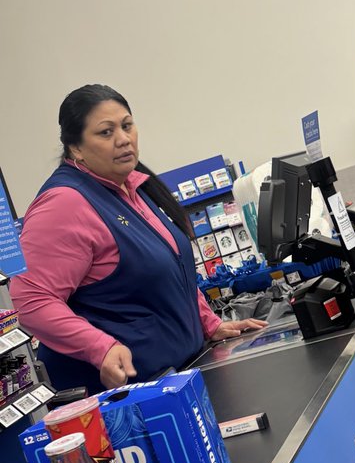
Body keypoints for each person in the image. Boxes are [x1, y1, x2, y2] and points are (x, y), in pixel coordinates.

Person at [11, 85, 265, 394]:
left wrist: (208, 323)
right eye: (105, 132)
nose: (123, 139)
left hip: (180, 374)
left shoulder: (132, 187)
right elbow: (32, 300)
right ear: (75, 148)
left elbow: (171, 272)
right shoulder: (65, 203)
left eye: (127, 125)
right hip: (124, 398)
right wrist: (99, 347)